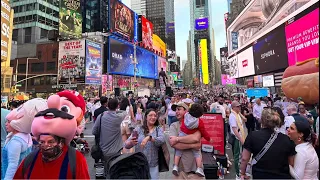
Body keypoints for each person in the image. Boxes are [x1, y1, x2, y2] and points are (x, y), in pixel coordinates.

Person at [13, 91, 90, 179]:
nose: (46, 145)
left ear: (60, 142)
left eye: (51, 141)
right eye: (42, 142)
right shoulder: (30, 159)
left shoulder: (75, 160)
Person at [240, 108, 296, 179]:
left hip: (260, 175)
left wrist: (242, 173)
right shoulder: (287, 139)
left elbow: (244, 158)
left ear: (262, 120)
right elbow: (291, 163)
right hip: (282, 176)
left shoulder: (253, 136)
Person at [2, 98, 47, 180]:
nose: (6, 124)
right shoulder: (26, 136)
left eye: (9, 122)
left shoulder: (15, 141)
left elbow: (12, 166)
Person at [172, 103, 212, 177]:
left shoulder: (186, 117)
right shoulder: (174, 125)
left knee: (178, 152)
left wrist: (177, 139)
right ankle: (199, 168)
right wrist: (194, 145)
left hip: (193, 173)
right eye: (176, 110)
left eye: (179, 109)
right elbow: (172, 143)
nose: (176, 112)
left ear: (187, 111)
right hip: (181, 171)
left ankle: (175, 166)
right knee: (197, 153)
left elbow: (196, 139)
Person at [125, 109, 165, 179]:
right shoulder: (138, 129)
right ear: (146, 117)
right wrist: (131, 143)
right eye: (150, 115)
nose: (153, 117)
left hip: (153, 164)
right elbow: (126, 145)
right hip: (139, 164)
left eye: (155, 116)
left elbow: (161, 140)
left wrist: (149, 138)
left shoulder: (158, 129)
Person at [92, 98, 127, 175]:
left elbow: (94, 131)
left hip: (103, 150)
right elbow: (125, 112)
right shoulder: (119, 117)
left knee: (106, 171)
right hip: (117, 150)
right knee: (116, 171)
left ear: (107, 105)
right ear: (117, 106)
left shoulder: (101, 116)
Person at [287, 115, 319, 179]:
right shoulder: (307, 146)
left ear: (300, 134)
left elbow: (298, 177)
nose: (288, 130)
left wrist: (287, 163)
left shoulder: (301, 151)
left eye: (292, 128)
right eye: (289, 127)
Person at [229, 101, 247, 179]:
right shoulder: (232, 116)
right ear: (233, 107)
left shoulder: (237, 114)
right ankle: (238, 174)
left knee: (241, 155)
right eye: (237, 107)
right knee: (237, 156)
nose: (239, 108)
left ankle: (241, 173)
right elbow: (234, 129)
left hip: (240, 136)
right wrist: (241, 139)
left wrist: (240, 114)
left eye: (239, 106)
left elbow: (245, 120)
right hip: (237, 138)